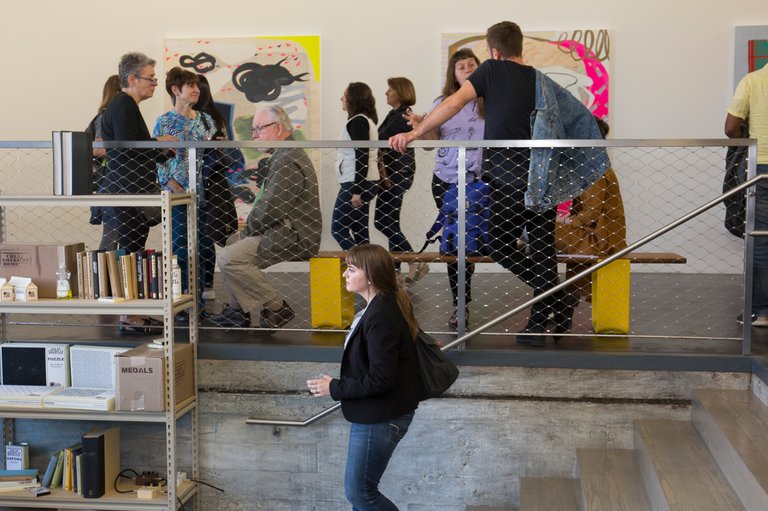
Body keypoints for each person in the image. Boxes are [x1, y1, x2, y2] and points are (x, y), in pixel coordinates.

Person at [390, 21, 608, 347]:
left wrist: (414, 133)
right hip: (540, 178)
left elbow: (452, 103)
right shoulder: (539, 79)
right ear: (519, 48)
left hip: (508, 179)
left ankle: (556, 301)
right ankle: (549, 310)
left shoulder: (491, 70)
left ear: (494, 51)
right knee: (542, 250)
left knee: (500, 245)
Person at [306, 244, 421, 510]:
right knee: (361, 495)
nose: (345, 274)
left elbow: (382, 379)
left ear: (370, 276)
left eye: (352, 269)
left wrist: (333, 387)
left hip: (381, 417)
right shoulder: (381, 306)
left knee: (360, 493)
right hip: (375, 413)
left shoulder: (381, 315)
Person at [205, 106, 321, 331]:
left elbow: (271, 208)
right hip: (285, 228)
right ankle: (238, 312)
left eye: (259, 129)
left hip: (295, 234)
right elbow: (271, 207)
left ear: (278, 128)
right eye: (253, 130)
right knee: (231, 244)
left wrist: (247, 230)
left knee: (230, 258)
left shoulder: (287, 159)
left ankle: (276, 307)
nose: (254, 135)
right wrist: (247, 230)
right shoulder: (285, 154)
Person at [407, 49, 485, 328]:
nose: (467, 69)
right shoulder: (443, 102)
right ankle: (459, 304)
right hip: (446, 181)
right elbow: (430, 142)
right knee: (453, 244)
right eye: (461, 66)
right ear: (453, 73)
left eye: (471, 65)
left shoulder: (490, 101)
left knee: (474, 243)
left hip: (479, 183)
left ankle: (464, 296)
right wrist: (420, 125)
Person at [100, 52, 178, 334]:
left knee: (132, 250)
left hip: (129, 189)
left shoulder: (125, 105)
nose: (155, 84)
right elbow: (127, 147)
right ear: (131, 79)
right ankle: (130, 316)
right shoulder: (123, 105)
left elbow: (133, 146)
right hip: (126, 191)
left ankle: (133, 314)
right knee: (130, 251)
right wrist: (158, 143)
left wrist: (158, 148)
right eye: (150, 79)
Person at [152, 67, 216, 305]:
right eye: (191, 86)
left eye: (197, 86)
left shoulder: (205, 120)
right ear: (176, 90)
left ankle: (197, 302)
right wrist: (170, 183)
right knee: (180, 247)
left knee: (200, 247)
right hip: (176, 195)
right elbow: (157, 159)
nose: (197, 90)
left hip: (201, 192)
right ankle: (180, 301)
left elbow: (212, 156)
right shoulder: (164, 122)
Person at [555, 117, 626, 301]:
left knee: (540, 232)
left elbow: (591, 214)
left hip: (601, 241)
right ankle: (558, 298)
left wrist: (565, 221)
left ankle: (556, 298)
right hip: (597, 235)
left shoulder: (594, 168)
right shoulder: (594, 165)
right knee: (540, 235)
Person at [726, 63, 768, 327]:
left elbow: (731, 127)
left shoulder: (753, 81)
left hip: (762, 167)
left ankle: (760, 311)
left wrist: (746, 133)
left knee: (761, 240)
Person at [377, 77, 429, 287]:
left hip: (396, 173)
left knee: (382, 221)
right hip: (392, 173)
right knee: (391, 221)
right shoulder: (394, 114)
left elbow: (381, 138)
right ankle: (396, 270)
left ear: (400, 91)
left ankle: (414, 259)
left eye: (390, 89)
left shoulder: (404, 115)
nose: (386, 93)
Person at [194, 74, 239, 302]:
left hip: (206, 185)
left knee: (202, 235)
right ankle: (206, 284)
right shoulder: (215, 117)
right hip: (211, 185)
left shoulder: (207, 118)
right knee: (204, 236)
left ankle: (203, 285)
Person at [332, 82, 378, 250]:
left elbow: (362, 155)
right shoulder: (364, 120)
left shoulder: (358, 122)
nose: (341, 99)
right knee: (360, 232)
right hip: (363, 181)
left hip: (356, 183)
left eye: (345, 95)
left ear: (353, 99)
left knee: (338, 229)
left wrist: (357, 190)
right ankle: (369, 272)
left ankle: (360, 267)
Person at [85, 74, 121, 249]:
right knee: (111, 238)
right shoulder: (105, 117)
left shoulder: (108, 116)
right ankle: (103, 274)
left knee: (118, 236)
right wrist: (127, 149)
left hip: (114, 183)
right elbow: (98, 149)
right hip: (108, 184)